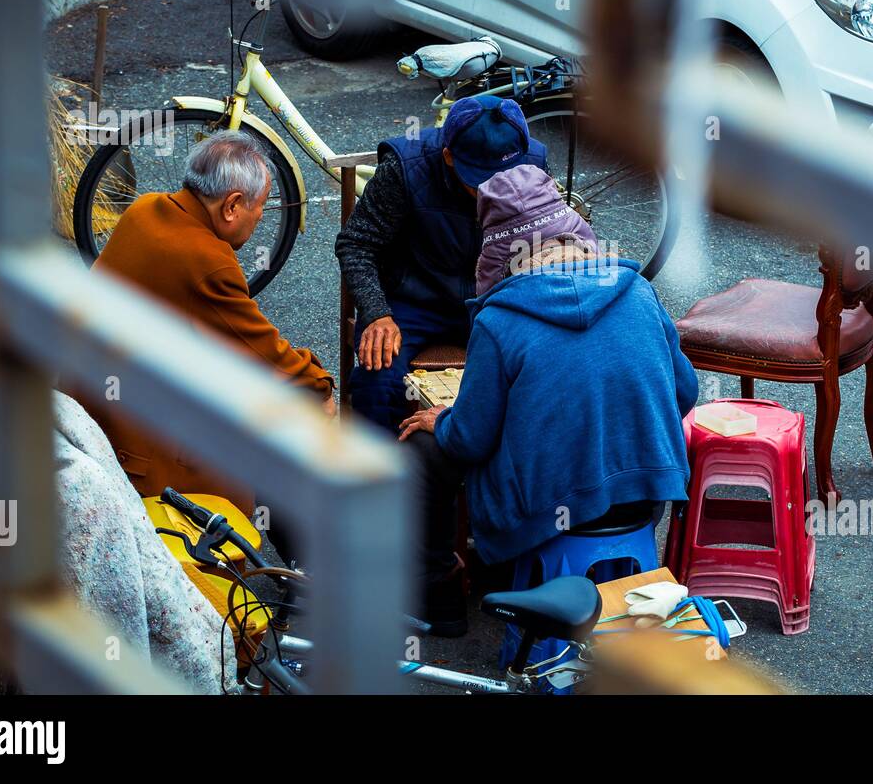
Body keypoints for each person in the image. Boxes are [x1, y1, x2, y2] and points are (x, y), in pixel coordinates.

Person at [398, 164, 698, 635]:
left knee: (421, 451)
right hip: (645, 496)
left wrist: (444, 421)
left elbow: (471, 441)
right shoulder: (640, 292)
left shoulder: (499, 321)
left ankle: (443, 602)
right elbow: (685, 391)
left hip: (552, 508)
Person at [76, 130, 334, 559]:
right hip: (136, 435)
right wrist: (320, 385)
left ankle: (303, 559)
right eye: (261, 209)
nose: (260, 220)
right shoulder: (206, 259)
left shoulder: (147, 209)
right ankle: (305, 567)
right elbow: (260, 348)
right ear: (232, 205)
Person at [334, 94, 547, 431]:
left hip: (496, 300)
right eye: (481, 181)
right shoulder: (405, 168)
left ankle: (489, 478)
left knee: (548, 372)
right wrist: (377, 312)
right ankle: (374, 478)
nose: (495, 191)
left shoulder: (532, 161)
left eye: (505, 177)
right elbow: (357, 243)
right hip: (415, 301)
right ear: (449, 156)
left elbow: (547, 240)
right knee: (378, 382)